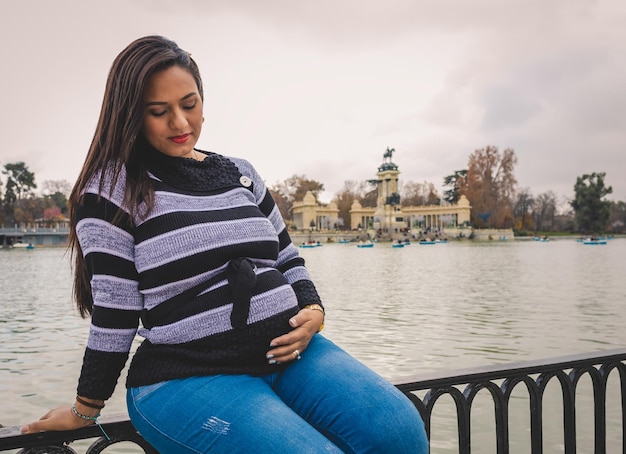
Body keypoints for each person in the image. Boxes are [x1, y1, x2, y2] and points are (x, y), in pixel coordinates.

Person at [21, 35, 428, 453]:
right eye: (159, 112)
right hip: (188, 376)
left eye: (190, 104)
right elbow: (116, 310)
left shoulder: (240, 172)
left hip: (290, 356)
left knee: (401, 432)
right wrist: (85, 408)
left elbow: (286, 255)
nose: (180, 123)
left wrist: (312, 308)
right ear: (129, 115)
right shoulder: (110, 190)